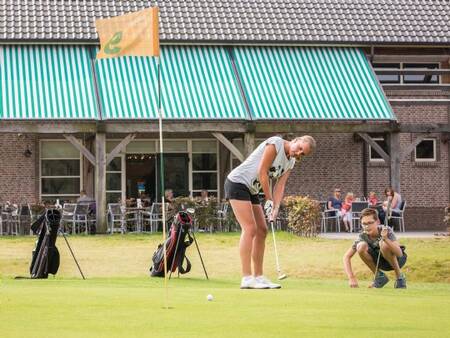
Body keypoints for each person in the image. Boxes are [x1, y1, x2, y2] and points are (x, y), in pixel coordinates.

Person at [225, 135, 316, 289]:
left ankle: (258, 277)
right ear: (296, 140)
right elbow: (262, 172)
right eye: (299, 148)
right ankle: (247, 278)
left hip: (251, 189)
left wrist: (275, 207)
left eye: (303, 154)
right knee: (250, 228)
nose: (299, 153)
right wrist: (268, 199)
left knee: (262, 230)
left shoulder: (291, 162)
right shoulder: (276, 143)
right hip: (237, 183)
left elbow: (280, 186)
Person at [343, 208, 407, 289]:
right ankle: (379, 277)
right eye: (364, 224)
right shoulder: (362, 236)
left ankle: (400, 278)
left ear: (378, 222)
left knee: (383, 244)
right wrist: (351, 277)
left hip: (398, 261)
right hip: (381, 263)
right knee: (360, 246)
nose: (367, 226)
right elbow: (346, 257)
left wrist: (386, 239)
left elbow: (399, 254)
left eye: (370, 223)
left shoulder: (386, 230)